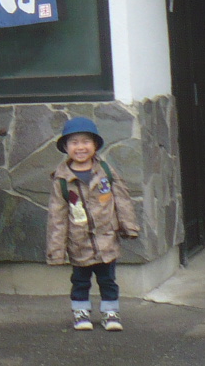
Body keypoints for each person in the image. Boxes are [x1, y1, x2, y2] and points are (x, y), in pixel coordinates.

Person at [45, 116, 139, 331]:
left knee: (108, 281)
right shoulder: (61, 180)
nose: (80, 147)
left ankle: (110, 313)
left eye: (86, 142)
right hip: (78, 243)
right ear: (66, 147)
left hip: (107, 240)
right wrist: (56, 251)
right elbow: (57, 218)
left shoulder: (105, 172)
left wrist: (129, 226)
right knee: (80, 281)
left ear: (95, 145)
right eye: (74, 142)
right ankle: (81, 312)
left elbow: (122, 200)